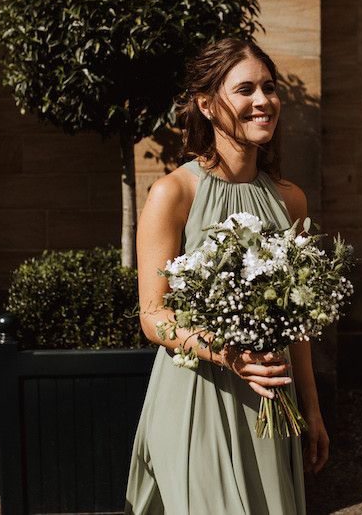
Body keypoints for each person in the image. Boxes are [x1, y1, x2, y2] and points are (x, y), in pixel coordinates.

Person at [125, 38, 329, 515]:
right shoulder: (173, 193)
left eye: (270, 88)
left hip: (271, 399)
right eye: (245, 90)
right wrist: (226, 353)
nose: (263, 101)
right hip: (199, 394)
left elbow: (295, 321)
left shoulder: (290, 200)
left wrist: (312, 407)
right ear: (207, 106)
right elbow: (154, 316)